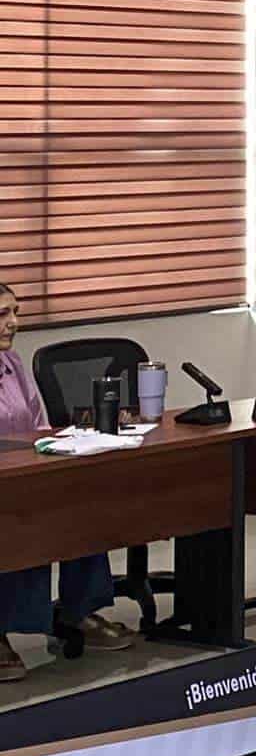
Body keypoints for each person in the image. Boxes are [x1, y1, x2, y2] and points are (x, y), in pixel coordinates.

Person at [0, 284, 136, 680]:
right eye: (3, 314)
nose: (13, 322)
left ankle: (79, 612)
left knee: (80, 506)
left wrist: (64, 443)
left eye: (15, 312)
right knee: (21, 522)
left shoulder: (13, 364)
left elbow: (39, 424)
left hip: (27, 474)